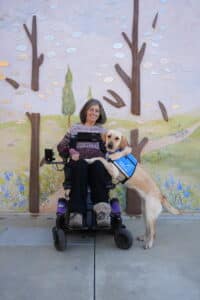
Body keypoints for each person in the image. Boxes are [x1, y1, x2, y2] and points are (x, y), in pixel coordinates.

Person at [57, 99, 112, 227]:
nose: (94, 113)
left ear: (100, 114)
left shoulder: (103, 131)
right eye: (91, 109)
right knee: (80, 165)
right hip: (79, 162)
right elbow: (61, 147)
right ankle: (77, 213)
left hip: (97, 163)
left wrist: (108, 157)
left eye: (97, 111)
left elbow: (110, 149)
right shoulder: (75, 128)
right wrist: (71, 152)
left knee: (98, 165)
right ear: (85, 111)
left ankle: (102, 212)